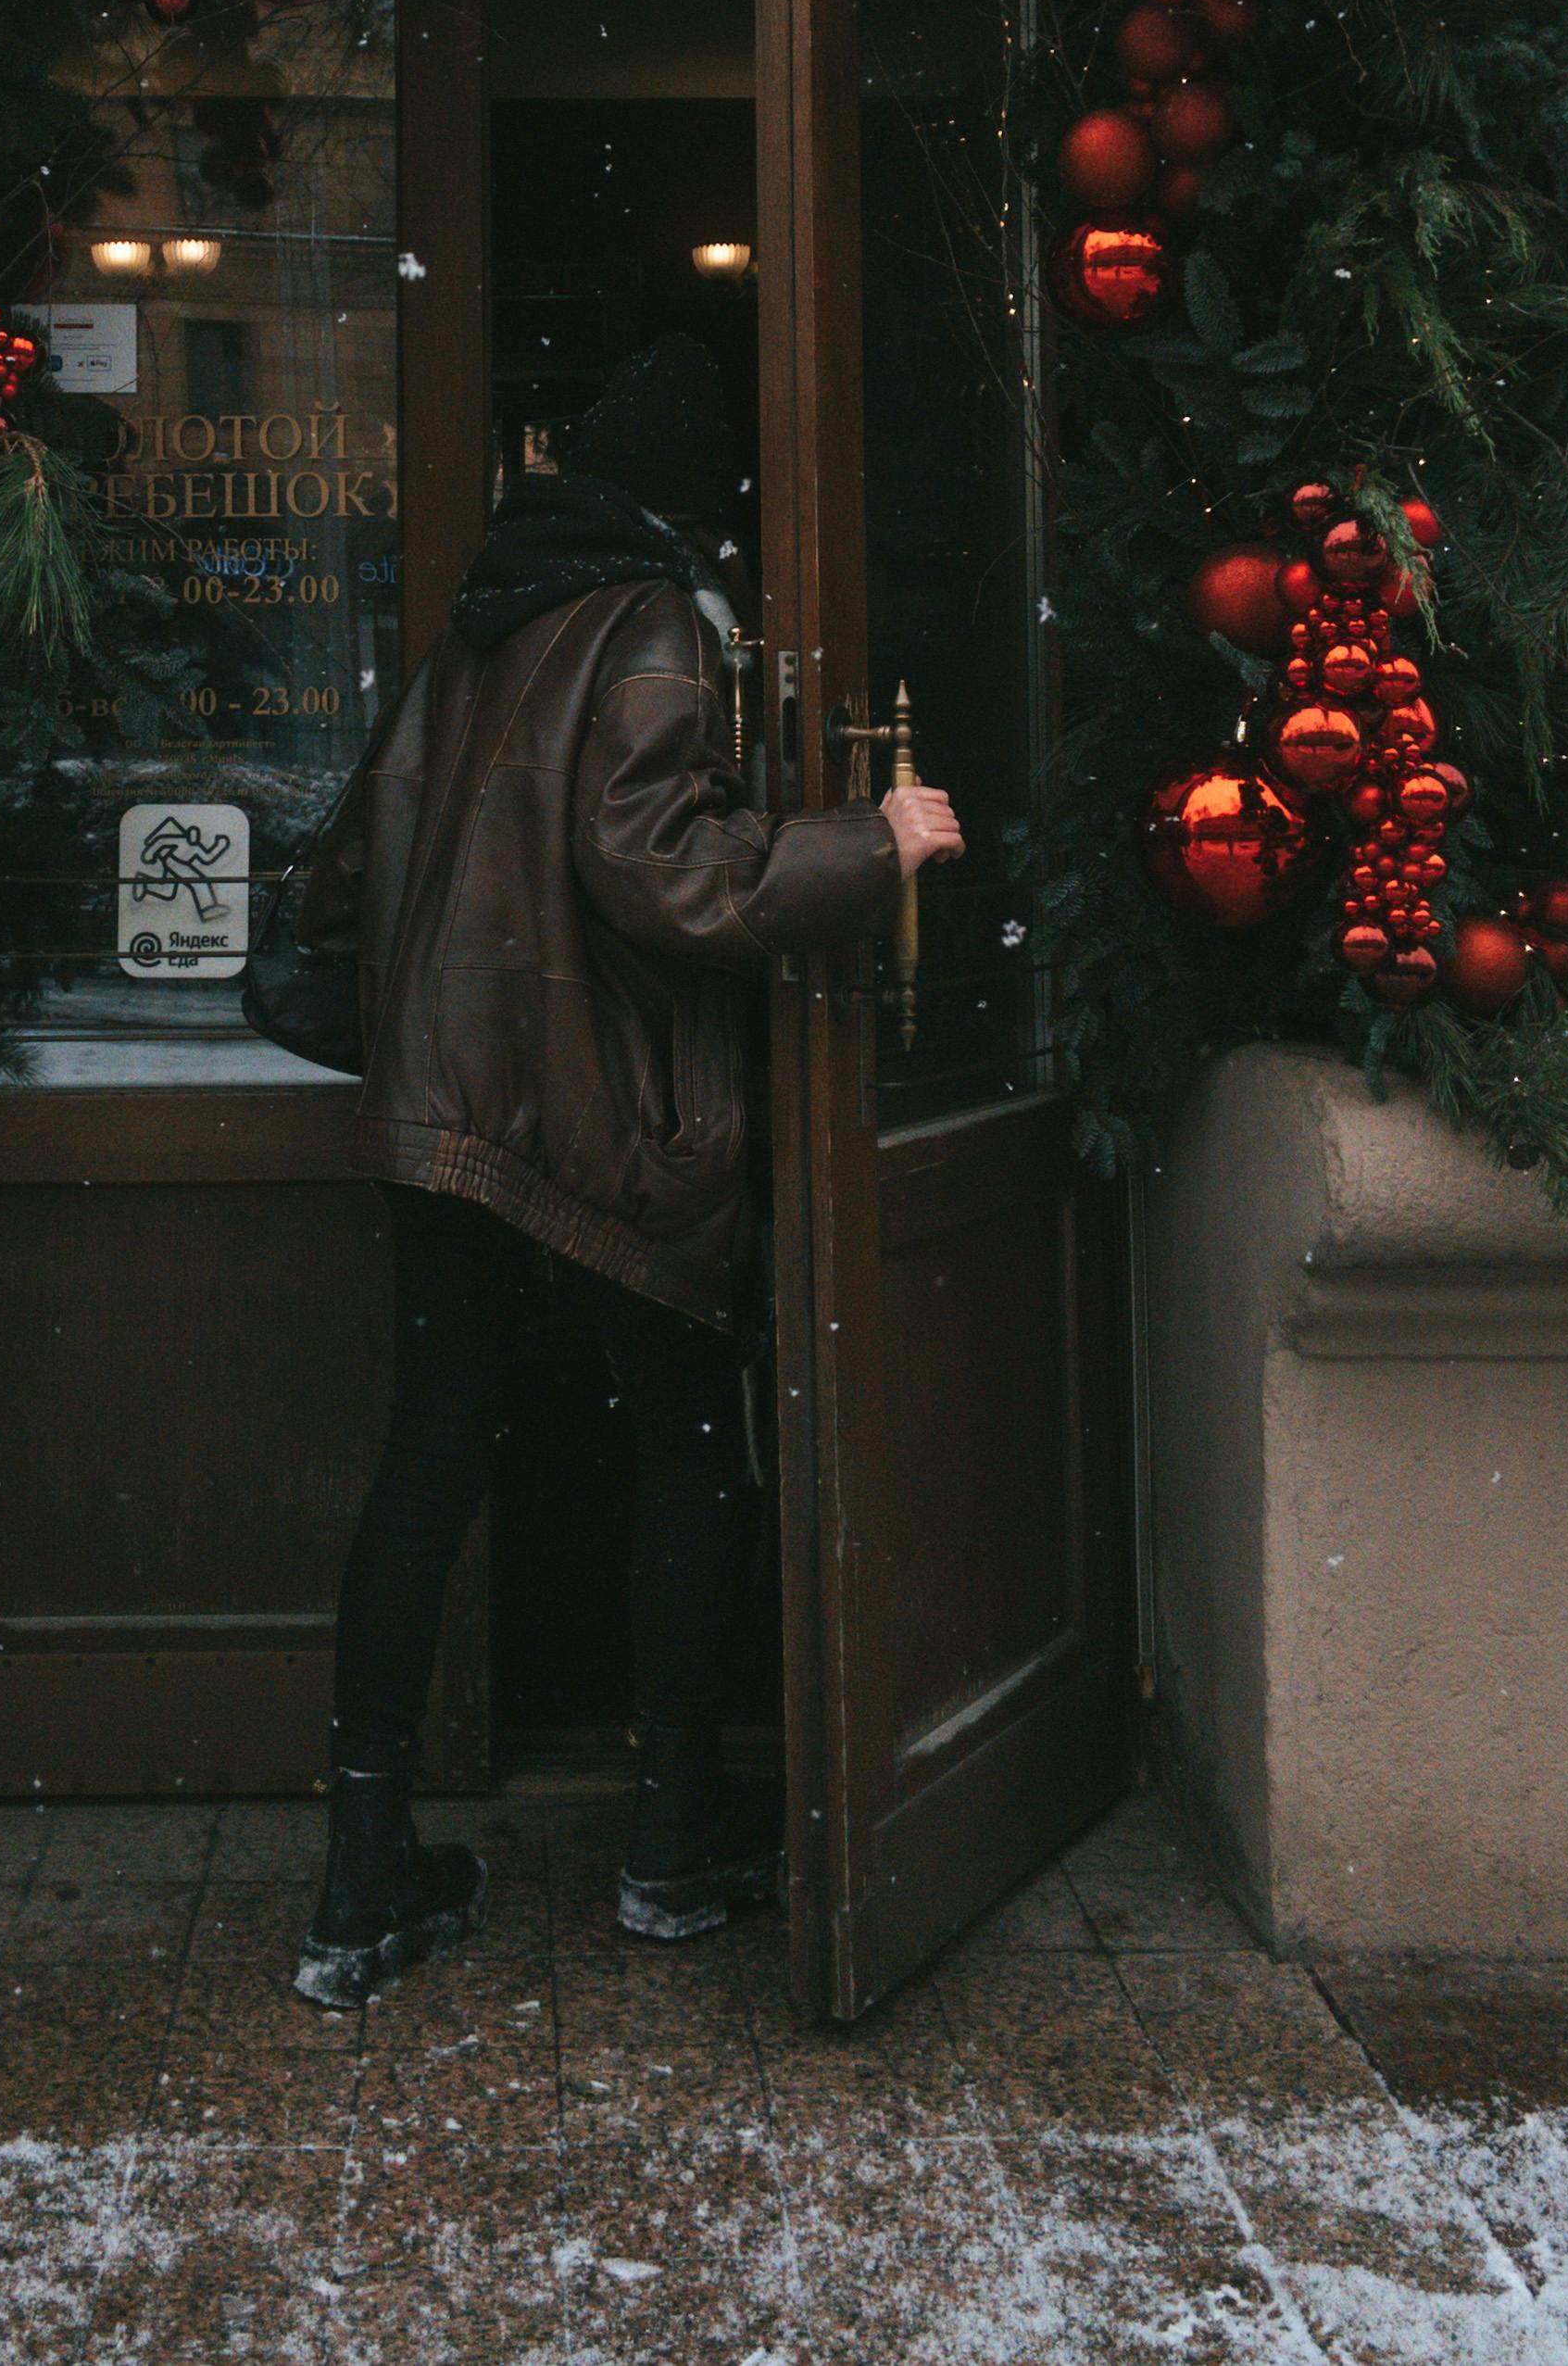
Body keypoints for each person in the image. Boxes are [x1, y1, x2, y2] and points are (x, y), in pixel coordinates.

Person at [290, 335, 963, 2008]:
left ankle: (360, 1874)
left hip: (445, 1113)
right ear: (701, 501)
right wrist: (873, 849)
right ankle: (672, 1841)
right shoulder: (656, 621)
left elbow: (346, 874)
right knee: (688, 1455)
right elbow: (663, 871)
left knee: (431, 1456)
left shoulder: (478, 629)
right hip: (602, 1121)